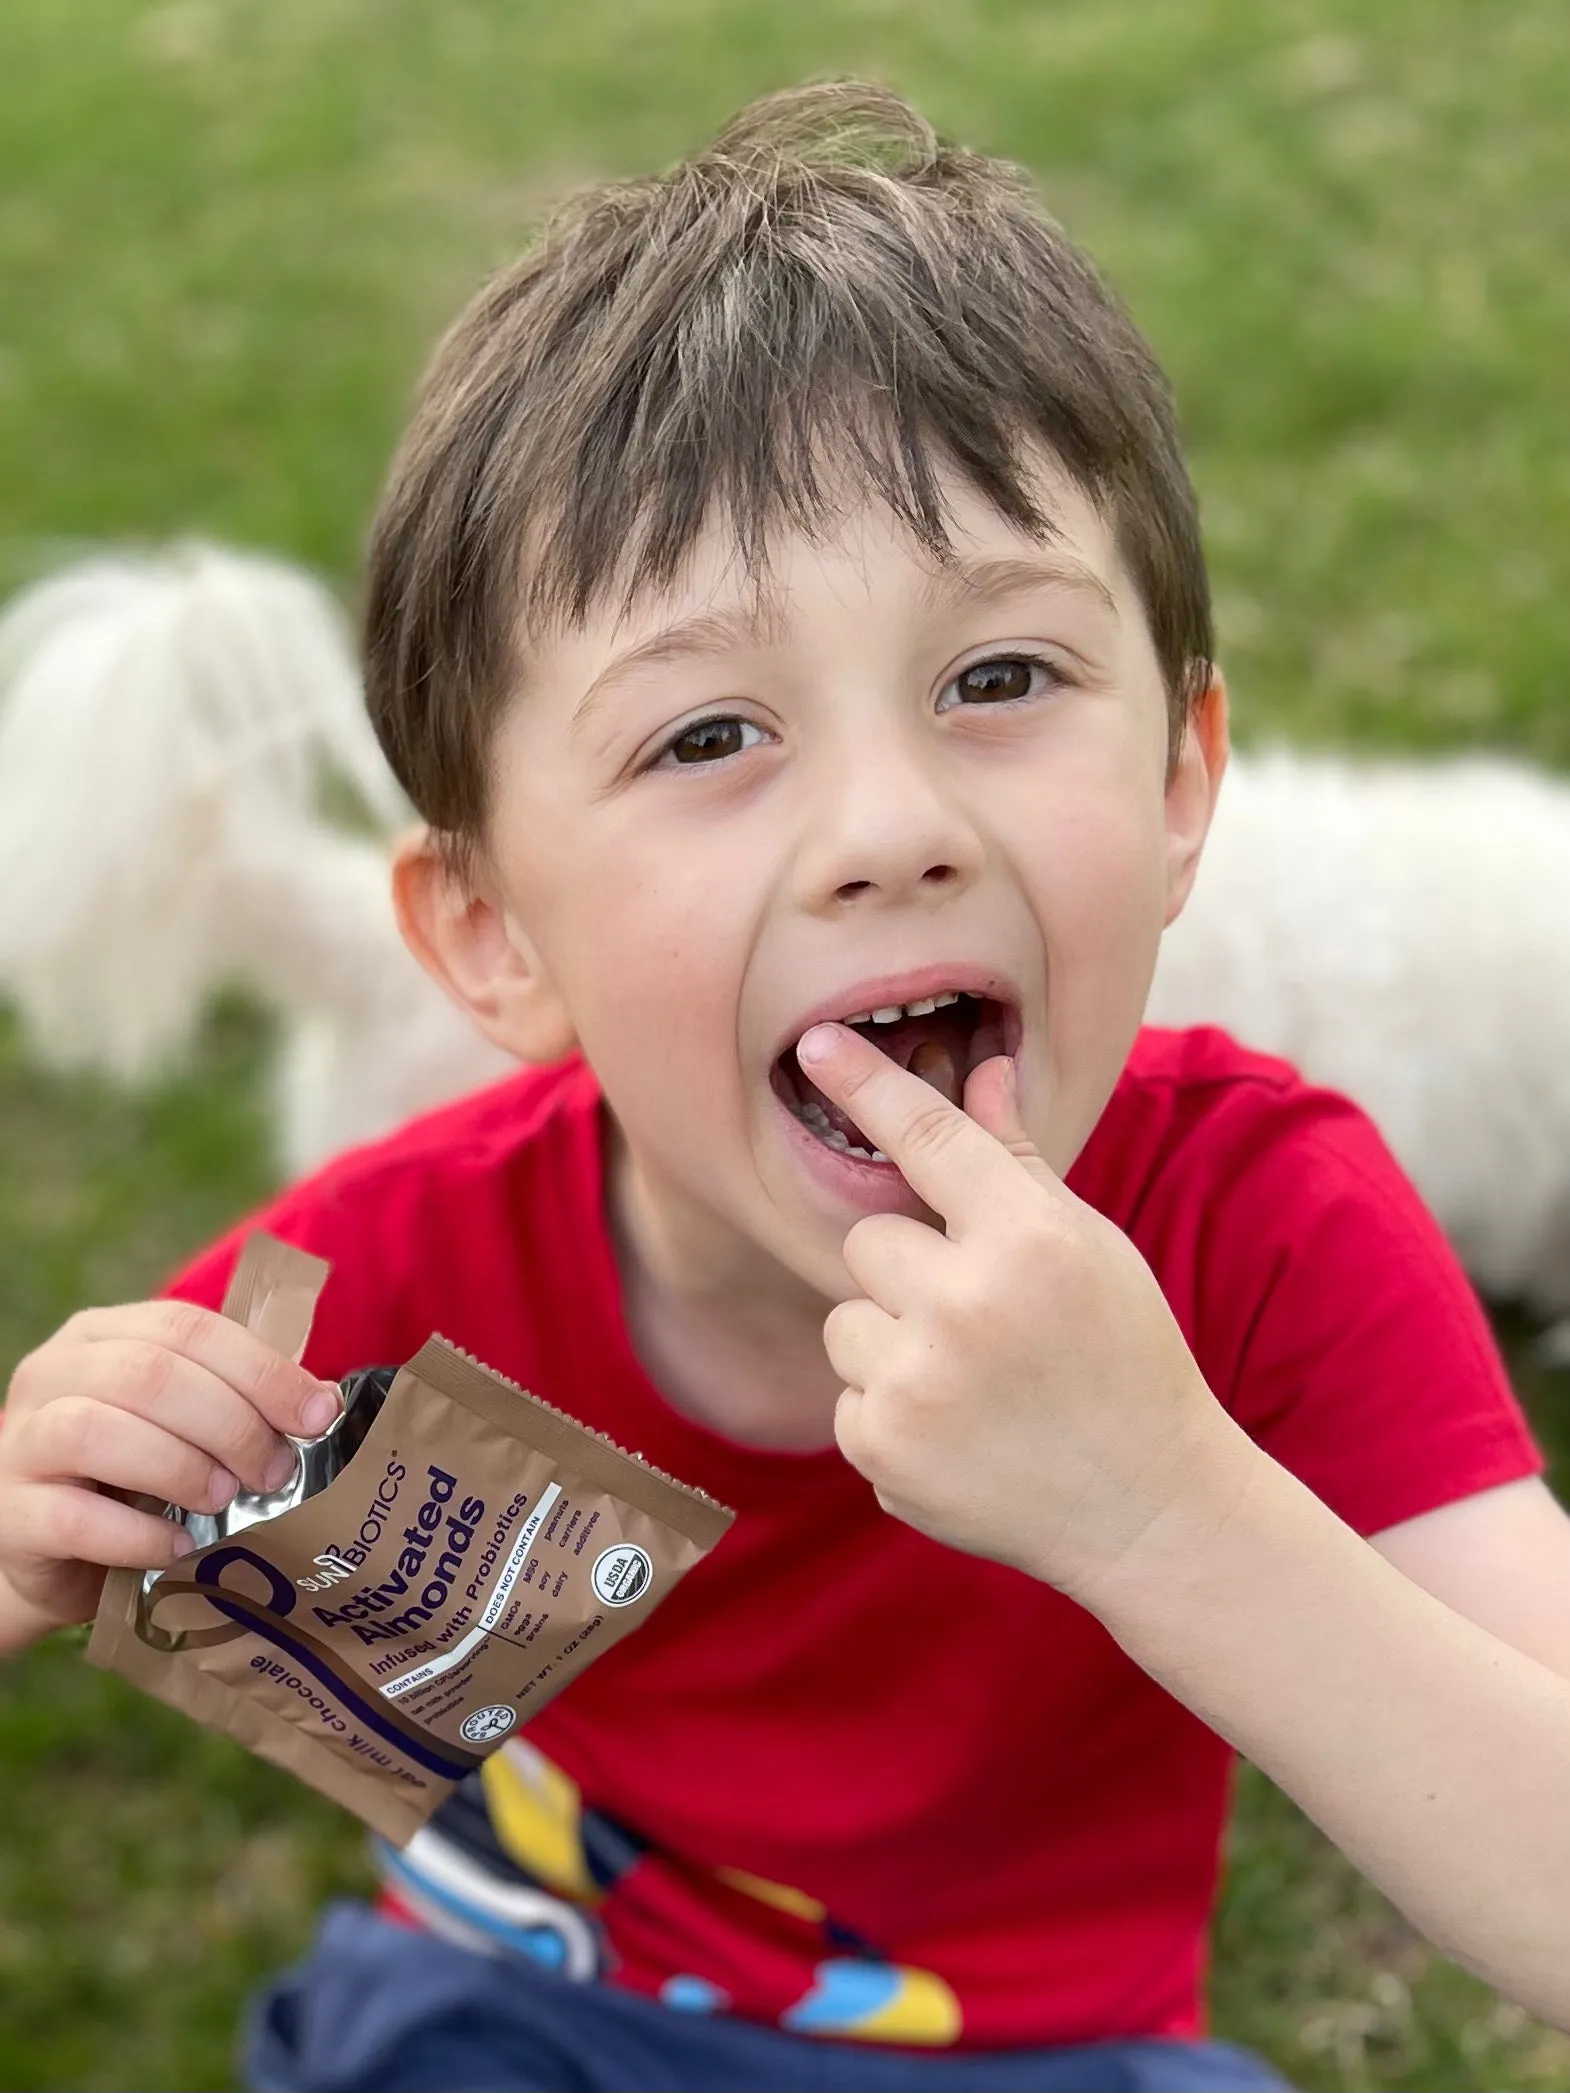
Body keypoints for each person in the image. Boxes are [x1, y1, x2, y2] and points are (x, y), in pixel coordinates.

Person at [3, 80, 1569, 2093]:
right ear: (490, 935)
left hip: (1050, 2058)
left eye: (995, 678)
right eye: (710, 731)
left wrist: (1160, 1503)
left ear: (1182, 788)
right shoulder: (398, 1256)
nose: (885, 825)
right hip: (522, 2014)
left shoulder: (1261, 1219)